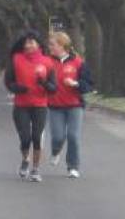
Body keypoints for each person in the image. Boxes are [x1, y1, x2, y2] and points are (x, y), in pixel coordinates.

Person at [4, 30, 56, 182]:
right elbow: (8, 82)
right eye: (27, 42)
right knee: (25, 138)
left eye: (32, 41)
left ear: (38, 44)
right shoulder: (16, 59)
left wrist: (44, 83)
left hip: (40, 105)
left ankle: (35, 168)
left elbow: (53, 88)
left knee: (37, 137)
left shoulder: (47, 62)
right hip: (21, 105)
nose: (29, 44)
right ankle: (25, 159)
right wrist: (17, 88)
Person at [48, 32, 93, 179]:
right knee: (57, 137)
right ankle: (55, 151)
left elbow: (88, 84)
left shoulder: (78, 63)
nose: (50, 47)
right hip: (55, 106)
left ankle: (73, 166)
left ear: (62, 45)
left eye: (53, 44)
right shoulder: (48, 62)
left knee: (73, 136)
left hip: (75, 105)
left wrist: (76, 84)